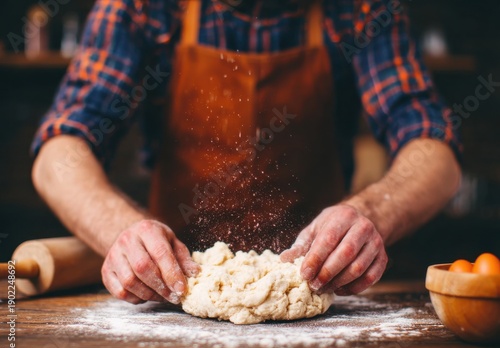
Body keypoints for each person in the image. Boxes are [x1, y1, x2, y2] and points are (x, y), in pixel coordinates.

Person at [31, 0, 461, 305]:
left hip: (321, 281)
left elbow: (436, 155)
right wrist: (119, 231)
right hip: (169, 291)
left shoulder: (358, 8)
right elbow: (59, 152)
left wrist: (375, 213)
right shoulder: (142, 7)